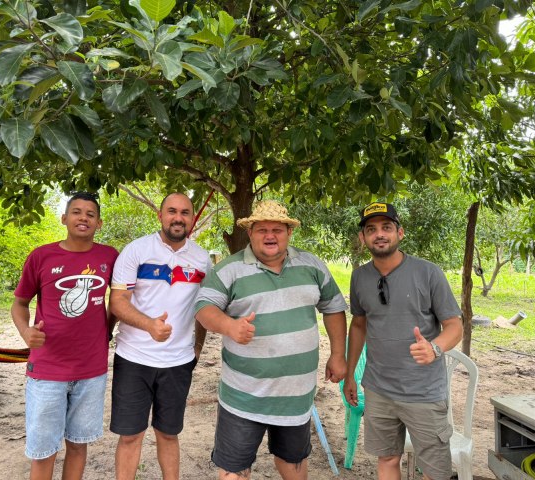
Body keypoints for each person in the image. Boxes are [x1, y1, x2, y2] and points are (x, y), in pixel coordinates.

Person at [194, 200, 348, 480]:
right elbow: (204, 309)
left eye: (277, 229)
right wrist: (229, 325)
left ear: (289, 233)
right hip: (243, 395)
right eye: (262, 229)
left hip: (296, 396)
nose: (269, 235)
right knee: (234, 470)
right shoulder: (229, 269)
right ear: (250, 233)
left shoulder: (311, 264)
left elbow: (334, 307)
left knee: (293, 463)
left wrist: (338, 355)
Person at [343, 202, 464, 480]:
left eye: (386, 227)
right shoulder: (359, 276)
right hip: (378, 388)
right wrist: (350, 374)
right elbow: (359, 323)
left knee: (434, 469)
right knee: (386, 457)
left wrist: (435, 348)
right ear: (363, 238)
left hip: (422, 391)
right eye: (371, 229)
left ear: (400, 232)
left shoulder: (428, 272)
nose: (379, 234)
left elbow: (455, 325)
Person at [11, 191, 119, 480]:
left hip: (91, 370)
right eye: (76, 212)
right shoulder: (41, 256)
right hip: (47, 370)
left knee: (78, 444)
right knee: (44, 450)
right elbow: (19, 304)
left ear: (99, 223)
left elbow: (120, 300)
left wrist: (107, 329)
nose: (83, 217)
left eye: (90, 214)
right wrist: (25, 331)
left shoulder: (110, 256)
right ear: (64, 218)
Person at [108, 192, 211, 480]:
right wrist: (149, 325)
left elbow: (205, 307)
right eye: (172, 211)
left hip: (178, 363)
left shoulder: (202, 259)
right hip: (133, 358)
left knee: (169, 434)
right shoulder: (136, 251)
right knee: (130, 436)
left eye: (184, 213)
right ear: (160, 215)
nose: (178, 218)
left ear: (191, 219)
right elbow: (117, 302)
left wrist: (198, 348)